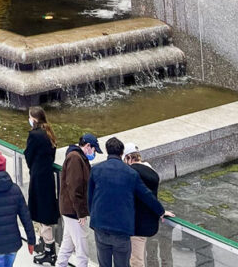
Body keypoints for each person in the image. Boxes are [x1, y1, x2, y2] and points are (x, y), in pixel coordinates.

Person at [88, 137, 165, 267]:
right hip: (121, 229)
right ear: (122, 153)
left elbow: (90, 197)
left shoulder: (96, 170)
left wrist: (94, 216)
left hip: (100, 227)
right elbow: (146, 195)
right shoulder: (131, 173)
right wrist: (161, 211)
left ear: (107, 150)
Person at [58, 133, 101, 267]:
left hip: (69, 209)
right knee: (82, 248)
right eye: (94, 149)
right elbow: (74, 187)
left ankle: (60, 264)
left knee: (67, 245)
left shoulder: (76, 157)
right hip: (74, 211)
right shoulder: (76, 158)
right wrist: (81, 213)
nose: (94, 153)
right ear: (88, 146)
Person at [25, 107, 60, 264]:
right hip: (47, 177)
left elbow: (29, 155)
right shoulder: (49, 132)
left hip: (38, 177)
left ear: (34, 119)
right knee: (44, 211)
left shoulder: (34, 135)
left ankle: (49, 251)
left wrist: (32, 168)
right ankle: (44, 244)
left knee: (42, 213)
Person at [124, 143, 167, 267]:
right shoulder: (151, 171)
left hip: (135, 224)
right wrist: (161, 211)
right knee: (142, 256)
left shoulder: (131, 173)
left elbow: (142, 194)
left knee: (136, 260)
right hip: (149, 223)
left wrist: (161, 211)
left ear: (128, 158)